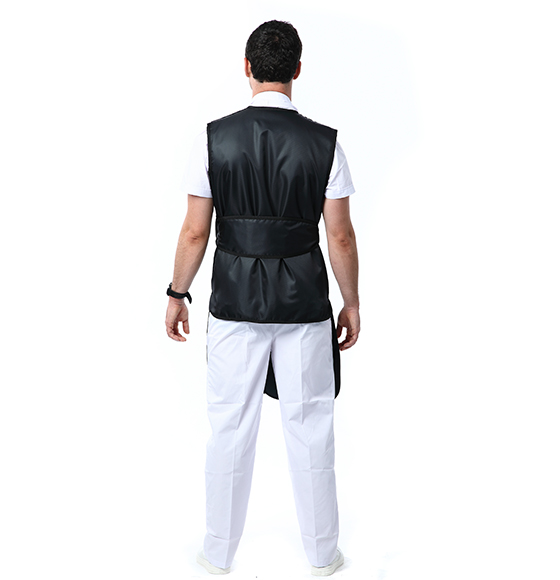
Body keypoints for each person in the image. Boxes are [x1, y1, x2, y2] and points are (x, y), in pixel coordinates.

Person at [165, 20, 359, 576]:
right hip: (304, 306)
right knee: (311, 428)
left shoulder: (213, 139)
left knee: (229, 427)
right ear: (297, 70)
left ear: (247, 68)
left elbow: (195, 232)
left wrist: (178, 292)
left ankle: (217, 554)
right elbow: (340, 237)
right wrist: (351, 302)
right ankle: (323, 556)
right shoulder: (326, 144)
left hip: (234, 303)